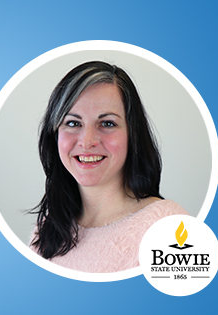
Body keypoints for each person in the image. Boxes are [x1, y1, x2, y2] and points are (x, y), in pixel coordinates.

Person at [30, 61, 188, 273]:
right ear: (55, 135)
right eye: (73, 123)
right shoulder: (48, 230)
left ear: (133, 135)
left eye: (107, 123)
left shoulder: (168, 227)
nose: (87, 141)